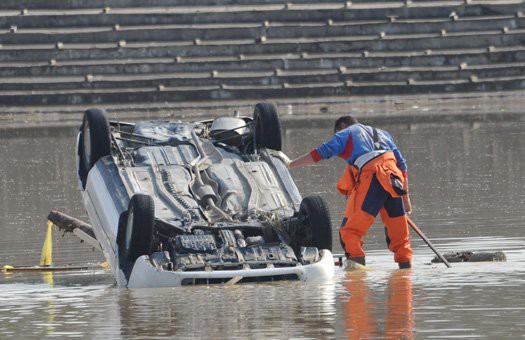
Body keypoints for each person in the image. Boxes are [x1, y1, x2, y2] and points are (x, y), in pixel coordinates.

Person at [276, 116, 413, 269]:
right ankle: (405, 275)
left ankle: (357, 279)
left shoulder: (346, 133)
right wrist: (406, 200)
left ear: (342, 126)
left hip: (372, 177)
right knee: (399, 235)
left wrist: (290, 164)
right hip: (394, 180)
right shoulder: (383, 134)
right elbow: (402, 165)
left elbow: (320, 153)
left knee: (349, 233)